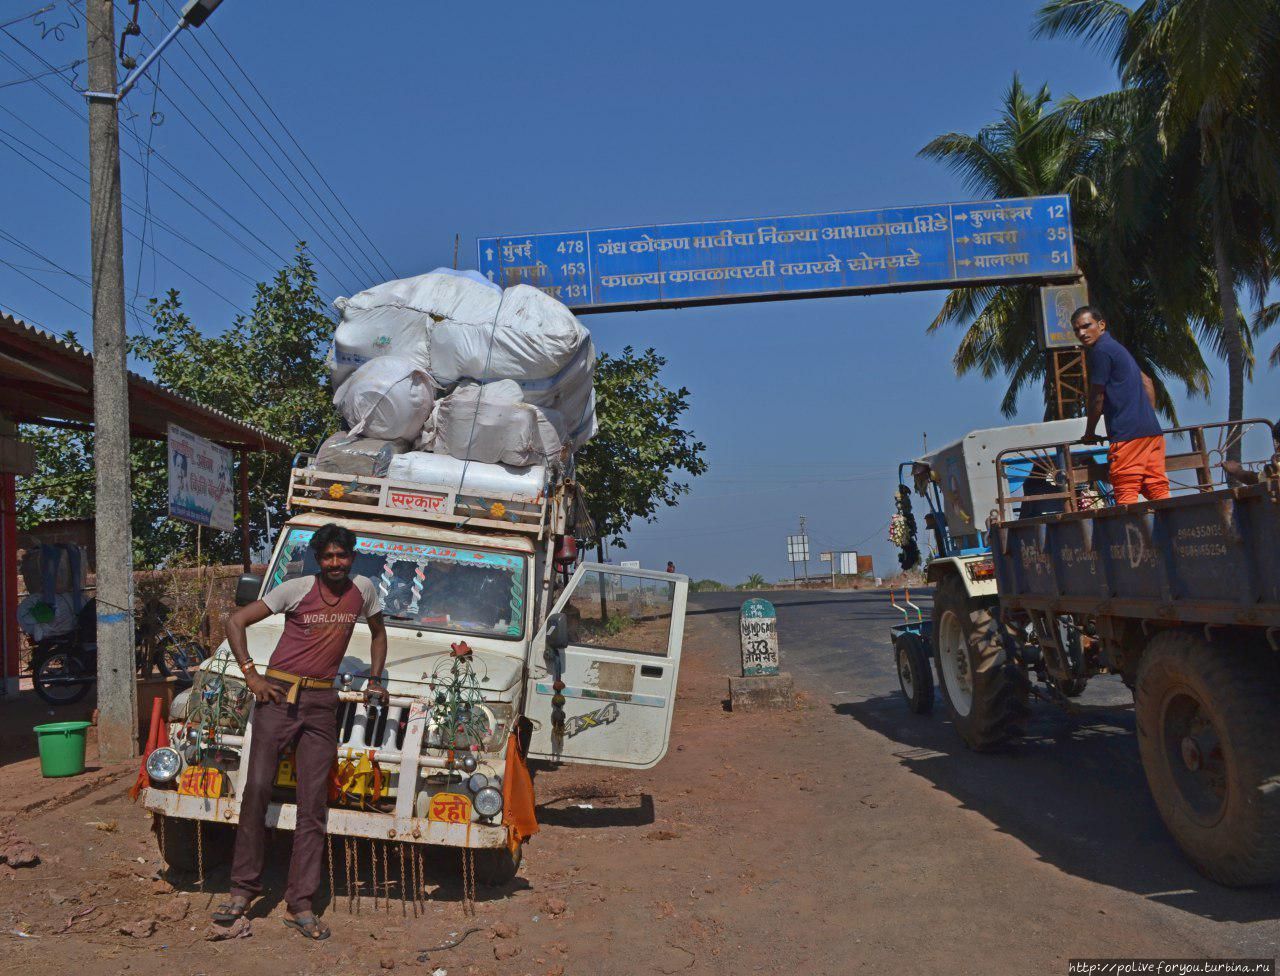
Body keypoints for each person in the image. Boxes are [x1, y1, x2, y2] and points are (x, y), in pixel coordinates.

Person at [214, 523, 387, 941]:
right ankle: (242, 890)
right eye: (327, 556)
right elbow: (235, 621)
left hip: (322, 705)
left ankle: (300, 904)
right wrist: (252, 676)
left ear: (351, 557)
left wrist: (376, 680)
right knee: (256, 789)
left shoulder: (363, 590)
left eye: (341, 556)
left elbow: (379, 633)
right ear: (317, 558)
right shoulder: (294, 589)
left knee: (314, 806)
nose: (334, 563)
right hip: (277, 698)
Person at [1073, 305, 1169, 504]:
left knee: (1125, 488)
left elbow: (1097, 397)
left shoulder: (1100, 351)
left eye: (1086, 326)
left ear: (1101, 325)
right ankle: (1175, 530)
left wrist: (1090, 432)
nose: (1081, 333)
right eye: (1076, 330)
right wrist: (1144, 416)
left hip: (1127, 435)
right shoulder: (1117, 348)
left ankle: (1130, 534)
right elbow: (1147, 382)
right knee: (1157, 487)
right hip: (1151, 432)